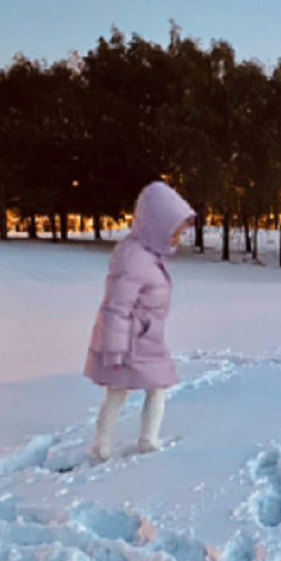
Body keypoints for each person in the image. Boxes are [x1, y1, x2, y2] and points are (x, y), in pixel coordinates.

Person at [85, 182, 195, 460]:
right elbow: (116, 307)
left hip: (145, 338)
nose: (178, 239)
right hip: (131, 340)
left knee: (153, 387)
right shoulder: (135, 258)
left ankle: (143, 440)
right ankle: (103, 448)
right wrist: (113, 349)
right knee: (119, 391)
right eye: (175, 232)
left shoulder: (147, 255)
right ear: (158, 226)